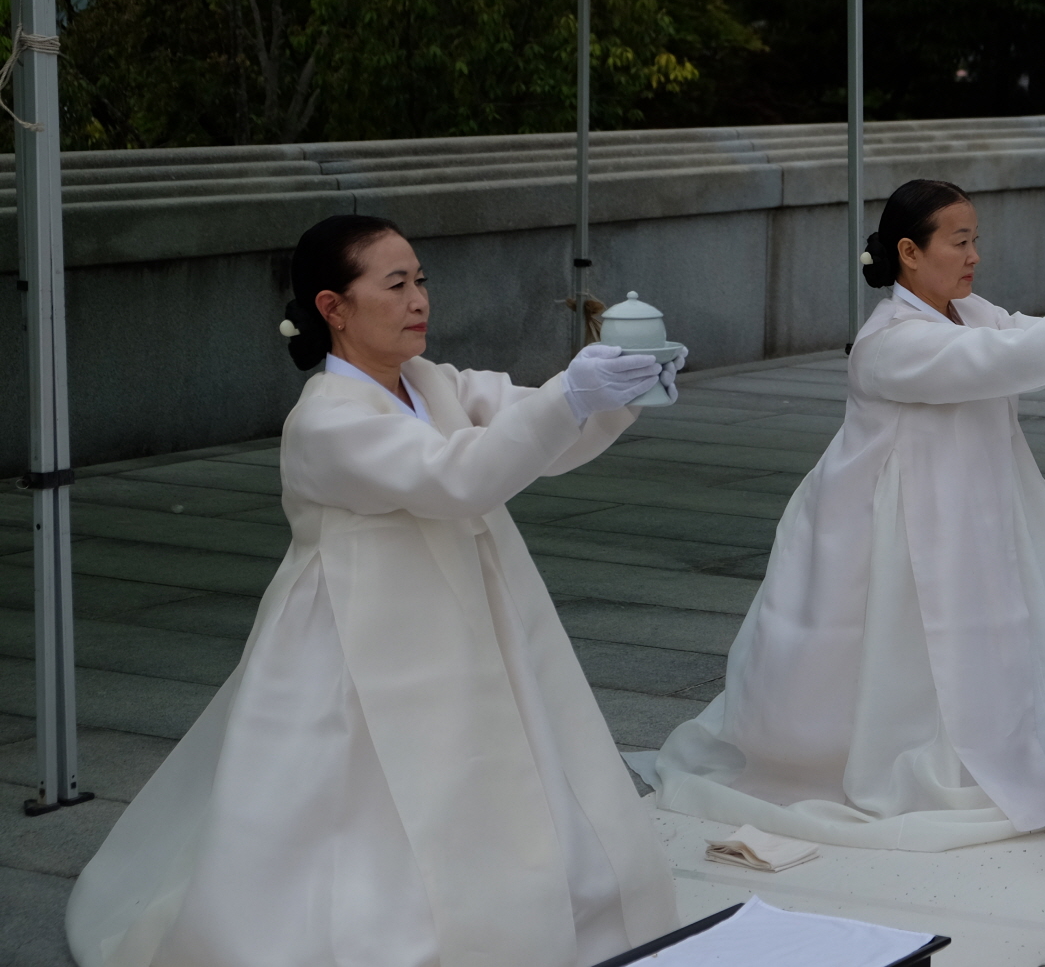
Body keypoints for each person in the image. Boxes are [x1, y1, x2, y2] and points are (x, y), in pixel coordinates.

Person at [68, 216, 683, 967]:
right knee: (354, 797)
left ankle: (509, 907)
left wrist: (610, 394)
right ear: (334, 306)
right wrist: (570, 396)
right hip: (356, 638)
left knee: (474, 767)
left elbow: (531, 432)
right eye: (395, 284)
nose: (418, 297)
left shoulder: (431, 381)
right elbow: (460, 475)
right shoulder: (326, 418)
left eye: (420, 279)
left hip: (455, 617)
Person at [655, 179, 1045, 851]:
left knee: (995, 633)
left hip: (976, 509)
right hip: (896, 528)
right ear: (908, 252)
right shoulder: (889, 341)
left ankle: (1002, 735)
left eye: (975, 238)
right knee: (902, 654)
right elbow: (1002, 360)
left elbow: (1036, 344)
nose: (974, 254)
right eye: (959, 240)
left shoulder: (968, 311)